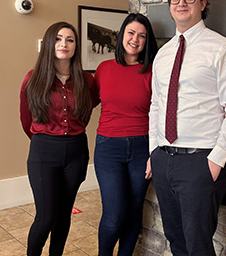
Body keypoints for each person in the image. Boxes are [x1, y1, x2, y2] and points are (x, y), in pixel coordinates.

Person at [149, 0, 226, 256]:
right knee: (175, 238)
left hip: (200, 161)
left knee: (198, 245)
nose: (181, 3)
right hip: (163, 158)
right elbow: (156, 105)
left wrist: (216, 161)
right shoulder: (164, 54)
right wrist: (153, 150)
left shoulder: (223, 50)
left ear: (203, 2)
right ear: (169, 4)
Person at [20, 21, 97, 256]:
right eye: (59, 39)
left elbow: (86, 111)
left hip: (76, 152)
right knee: (46, 217)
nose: (64, 44)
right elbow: (26, 120)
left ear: (75, 46)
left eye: (70, 40)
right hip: (43, 153)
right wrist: (47, 139)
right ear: (49, 44)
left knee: (64, 215)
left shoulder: (86, 80)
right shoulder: (33, 79)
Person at [94, 13, 158, 256]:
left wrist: (155, 153)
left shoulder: (153, 72)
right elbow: (83, 104)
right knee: (114, 215)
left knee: (133, 211)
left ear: (147, 41)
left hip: (143, 148)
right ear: (121, 36)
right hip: (108, 148)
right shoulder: (104, 69)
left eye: (142, 35)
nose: (135, 39)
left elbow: (160, 115)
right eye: (131, 33)